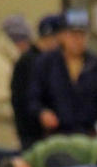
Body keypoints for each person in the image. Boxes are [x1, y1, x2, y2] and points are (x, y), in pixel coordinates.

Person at [27, 11, 97, 137]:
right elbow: (33, 99)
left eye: (82, 35)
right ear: (61, 36)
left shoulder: (95, 65)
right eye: (73, 35)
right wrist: (42, 113)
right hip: (56, 135)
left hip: (88, 134)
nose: (78, 40)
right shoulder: (45, 63)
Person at [0, 14, 33, 160]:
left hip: (4, 136)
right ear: (19, 41)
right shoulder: (2, 65)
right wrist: (27, 114)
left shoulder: (7, 60)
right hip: (2, 138)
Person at [11, 13, 65, 149]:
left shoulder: (50, 60)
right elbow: (25, 100)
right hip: (33, 134)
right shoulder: (29, 61)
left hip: (48, 132)